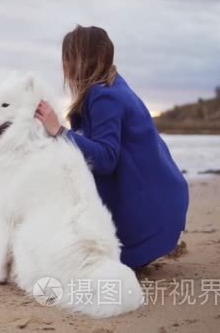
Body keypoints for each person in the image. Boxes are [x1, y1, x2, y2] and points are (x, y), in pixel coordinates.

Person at [35, 25, 189, 268]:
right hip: (162, 199)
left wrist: (58, 131)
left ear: (81, 59)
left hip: (149, 211)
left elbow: (106, 159)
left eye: (66, 58)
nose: (63, 65)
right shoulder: (114, 86)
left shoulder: (103, 97)